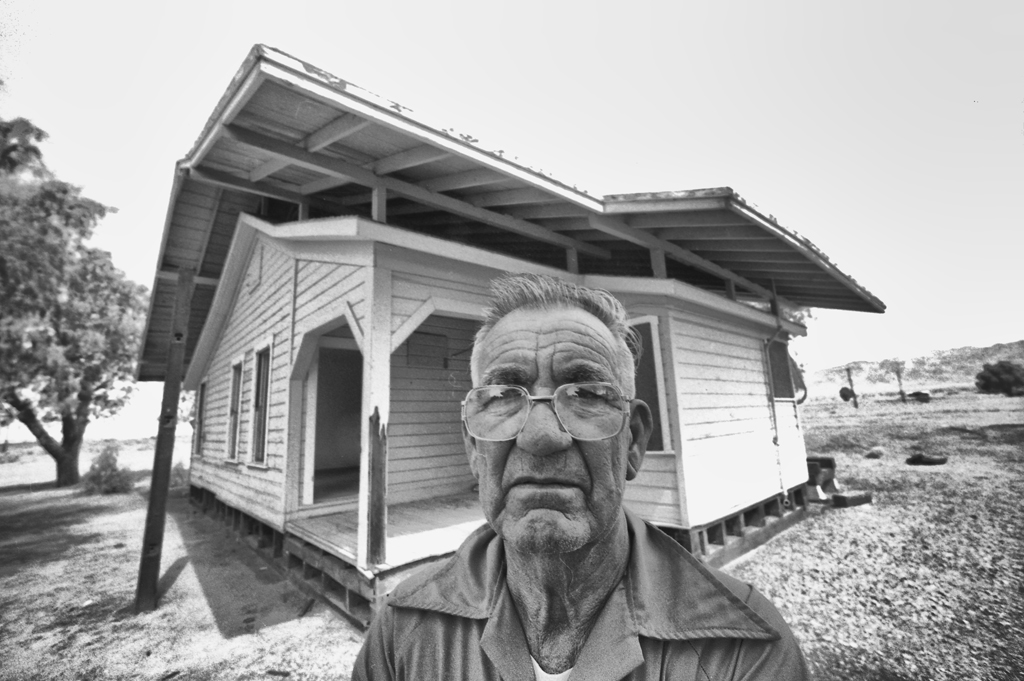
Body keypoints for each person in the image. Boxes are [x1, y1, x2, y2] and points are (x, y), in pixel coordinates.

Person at [352, 273, 808, 680]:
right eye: (503, 396)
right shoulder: (402, 631)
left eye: (587, 393)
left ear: (632, 442)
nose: (541, 435)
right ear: (473, 447)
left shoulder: (742, 654)